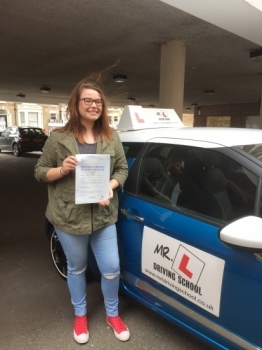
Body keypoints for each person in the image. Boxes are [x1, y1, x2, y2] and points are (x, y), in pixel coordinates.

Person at [34, 76, 130, 344]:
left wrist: (110, 186)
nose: (93, 105)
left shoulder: (112, 137)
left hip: (103, 215)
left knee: (111, 268)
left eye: (98, 101)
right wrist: (62, 168)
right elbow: (40, 172)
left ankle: (112, 314)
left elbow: (122, 169)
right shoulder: (58, 138)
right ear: (75, 104)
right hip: (68, 216)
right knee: (77, 268)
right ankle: (80, 314)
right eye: (87, 100)